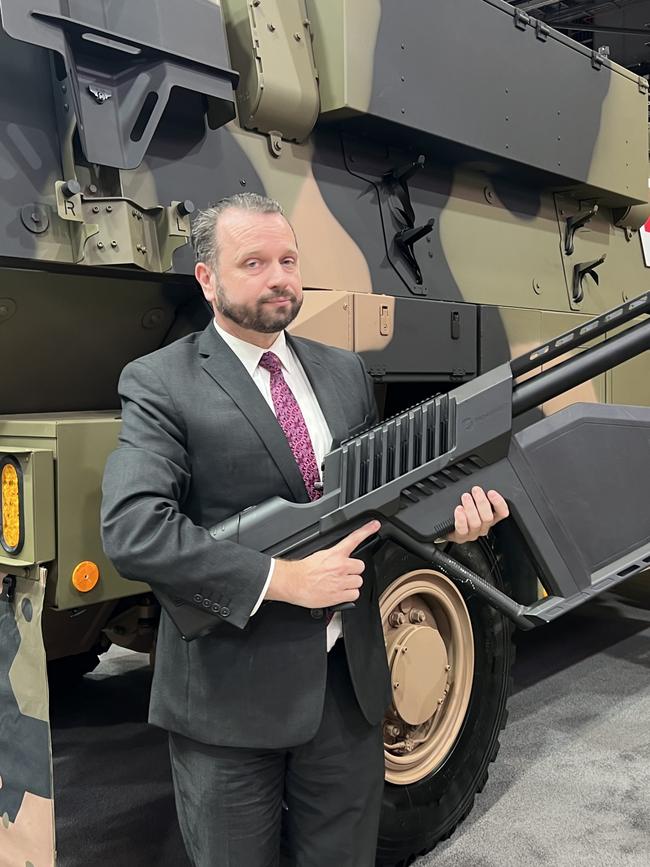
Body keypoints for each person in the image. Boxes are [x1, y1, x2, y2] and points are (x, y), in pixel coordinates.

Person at [101, 193, 509, 867]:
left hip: (348, 698)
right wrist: (280, 578)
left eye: (287, 259)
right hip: (230, 708)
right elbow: (134, 530)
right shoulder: (161, 381)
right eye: (253, 261)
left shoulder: (343, 371)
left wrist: (451, 529)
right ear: (207, 279)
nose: (278, 277)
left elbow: (374, 514)